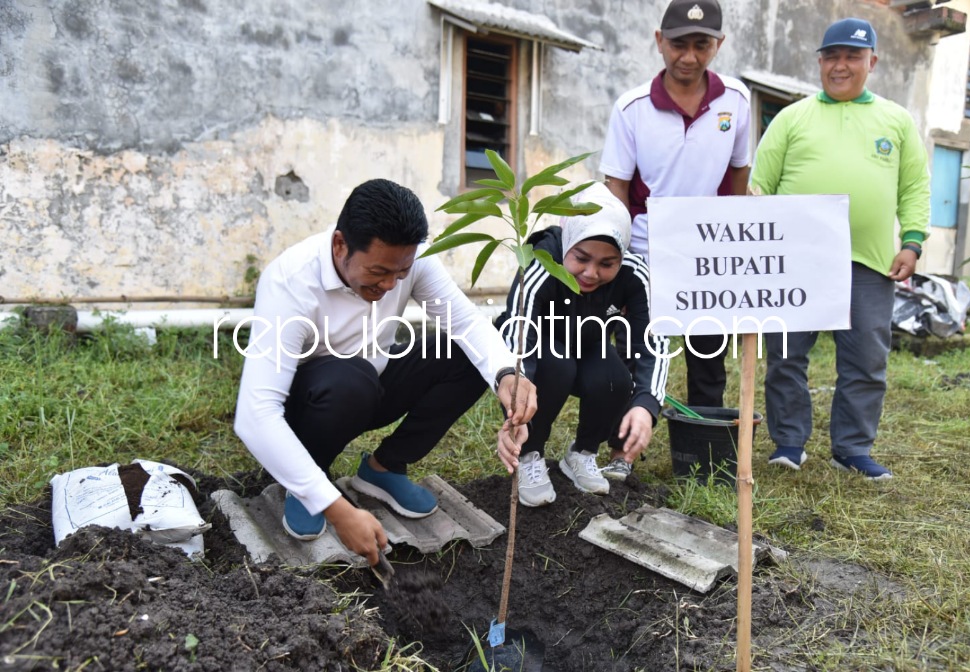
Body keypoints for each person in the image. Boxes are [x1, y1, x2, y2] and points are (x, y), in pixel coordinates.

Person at [233, 179, 536, 566]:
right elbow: (255, 415)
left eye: (401, 272)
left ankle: (384, 468)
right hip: (309, 408)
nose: (391, 284)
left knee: (465, 355)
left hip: (372, 385)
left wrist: (508, 376)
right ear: (341, 245)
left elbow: (466, 325)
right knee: (350, 381)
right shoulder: (291, 282)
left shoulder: (409, 261)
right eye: (378, 272)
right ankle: (310, 481)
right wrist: (336, 510)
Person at [749, 18, 930, 480]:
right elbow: (759, 189)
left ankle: (851, 448)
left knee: (867, 359)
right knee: (786, 356)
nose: (841, 65)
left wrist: (912, 241)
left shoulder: (896, 121)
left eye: (852, 56)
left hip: (868, 262)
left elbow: (914, 187)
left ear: (872, 61)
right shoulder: (792, 118)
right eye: (832, 56)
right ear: (820, 62)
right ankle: (789, 441)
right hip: (796, 263)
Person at [599, 0, 751, 476]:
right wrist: (618, 264)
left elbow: (738, 173)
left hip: (707, 256)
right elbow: (617, 190)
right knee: (635, 355)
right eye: (679, 43)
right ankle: (624, 455)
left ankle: (705, 457)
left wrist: (730, 241)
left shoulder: (736, 102)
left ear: (718, 45)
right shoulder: (632, 108)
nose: (689, 56)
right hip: (645, 252)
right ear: (658, 40)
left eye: (701, 45)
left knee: (708, 359)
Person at [494, 183, 670, 506]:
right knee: (557, 366)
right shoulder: (542, 262)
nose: (591, 273)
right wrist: (514, 395)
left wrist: (646, 405)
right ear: (567, 245)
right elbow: (517, 330)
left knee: (617, 377)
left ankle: (582, 452)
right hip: (542, 350)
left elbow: (654, 340)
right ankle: (529, 454)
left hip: (588, 342)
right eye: (581, 258)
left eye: (607, 264)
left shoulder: (634, 273)